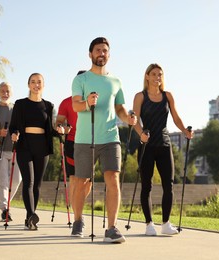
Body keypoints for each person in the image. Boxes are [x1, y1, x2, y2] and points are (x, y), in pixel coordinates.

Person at [71, 37, 137, 243]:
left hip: (110, 137)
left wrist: (128, 119)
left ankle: (111, 228)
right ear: (90, 54)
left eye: (105, 50)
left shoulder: (115, 81)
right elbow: (75, 105)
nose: (101, 53)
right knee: (82, 183)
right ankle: (79, 220)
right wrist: (88, 103)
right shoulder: (80, 80)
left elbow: (119, 108)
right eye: (98, 50)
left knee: (113, 180)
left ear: (109, 55)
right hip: (85, 138)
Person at [132, 63, 193, 236]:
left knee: (169, 184)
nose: (157, 77)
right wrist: (140, 134)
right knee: (147, 185)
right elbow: (135, 120)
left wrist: (185, 131)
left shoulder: (168, 96)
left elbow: (176, 117)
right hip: (147, 145)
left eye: (160, 74)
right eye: (154, 74)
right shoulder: (140, 96)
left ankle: (166, 223)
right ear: (147, 76)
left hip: (165, 145)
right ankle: (149, 224)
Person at [9, 73, 62, 230]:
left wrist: (59, 130)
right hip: (25, 144)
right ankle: (32, 214)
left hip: (42, 146)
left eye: (39, 82)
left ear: (43, 85)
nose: (36, 85)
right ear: (28, 85)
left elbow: (50, 129)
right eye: (33, 82)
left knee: (37, 184)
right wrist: (14, 133)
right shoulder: (20, 104)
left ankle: (29, 219)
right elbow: (13, 126)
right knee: (28, 181)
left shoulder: (48, 105)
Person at [56, 71, 91, 212]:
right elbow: (58, 122)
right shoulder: (66, 102)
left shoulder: (94, 101)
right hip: (72, 143)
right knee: (75, 179)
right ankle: (76, 212)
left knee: (88, 181)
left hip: (92, 144)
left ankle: (78, 204)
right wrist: (62, 128)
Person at [0, 82, 22, 221]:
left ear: (11, 93)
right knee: (2, 181)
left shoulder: (16, 108)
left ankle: (6, 204)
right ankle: (5, 209)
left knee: (16, 179)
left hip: (15, 149)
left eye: (7, 91)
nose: (5, 93)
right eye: (2, 91)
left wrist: (17, 134)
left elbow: (21, 126)